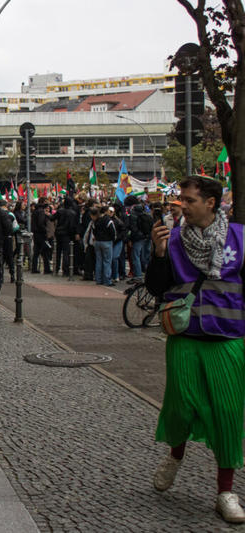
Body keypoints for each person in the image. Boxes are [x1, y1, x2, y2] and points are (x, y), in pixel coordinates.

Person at [145, 175, 245, 524]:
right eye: (181, 200)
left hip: (228, 338)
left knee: (228, 414)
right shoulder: (171, 240)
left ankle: (225, 491)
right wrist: (158, 254)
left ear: (211, 203)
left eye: (189, 200)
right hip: (185, 335)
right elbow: (156, 287)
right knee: (181, 407)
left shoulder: (240, 238)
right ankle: (175, 455)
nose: (182, 206)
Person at [51, 197, 79, 277]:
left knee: (58, 251)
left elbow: (52, 218)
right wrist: (75, 233)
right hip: (67, 234)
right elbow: (74, 225)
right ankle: (65, 270)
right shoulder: (73, 213)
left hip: (59, 233)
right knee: (66, 252)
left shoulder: (60, 211)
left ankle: (56, 268)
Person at [127, 198, 153, 282]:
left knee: (136, 256)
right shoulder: (147, 215)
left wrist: (131, 239)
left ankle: (138, 275)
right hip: (147, 237)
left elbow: (133, 229)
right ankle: (148, 273)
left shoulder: (133, 215)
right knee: (145, 255)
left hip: (138, 238)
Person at [92, 205, 116, 286]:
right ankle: (107, 280)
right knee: (107, 261)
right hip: (107, 242)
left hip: (98, 241)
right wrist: (112, 239)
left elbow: (94, 230)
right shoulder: (108, 220)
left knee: (99, 261)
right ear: (106, 211)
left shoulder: (97, 220)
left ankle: (98, 279)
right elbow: (113, 232)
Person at [31, 198, 52, 274]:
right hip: (41, 234)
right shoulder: (41, 211)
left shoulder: (35, 210)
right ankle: (47, 269)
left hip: (36, 233)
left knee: (36, 252)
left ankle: (34, 268)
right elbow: (40, 223)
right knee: (45, 251)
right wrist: (45, 230)